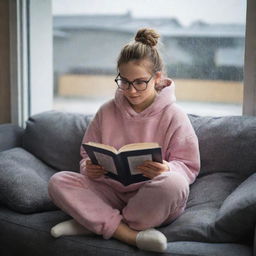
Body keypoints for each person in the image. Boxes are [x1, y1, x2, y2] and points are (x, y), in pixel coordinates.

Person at [48, 28, 200, 253]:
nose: (131, 90)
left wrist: (167, 168)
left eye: (140, 82)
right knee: (58, 182)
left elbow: (188, 166)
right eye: (124, 82)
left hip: (150, 197)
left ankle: (94, 222)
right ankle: (128, 234)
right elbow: (85, 154)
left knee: (174, 184)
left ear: (157, 78)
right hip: (109, 192)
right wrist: (88, 168)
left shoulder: (174, 115)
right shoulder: (106, 111)